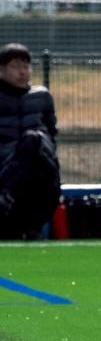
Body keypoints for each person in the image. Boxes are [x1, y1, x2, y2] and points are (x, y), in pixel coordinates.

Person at [0, 43, 59, 240]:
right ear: (1, 69)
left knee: (33, 139)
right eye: (15, 66)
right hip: (5, 163)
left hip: (40, 163)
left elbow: (51, 134)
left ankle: (6, 198)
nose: (22, 71)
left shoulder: (43, 96)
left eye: (26, 66)